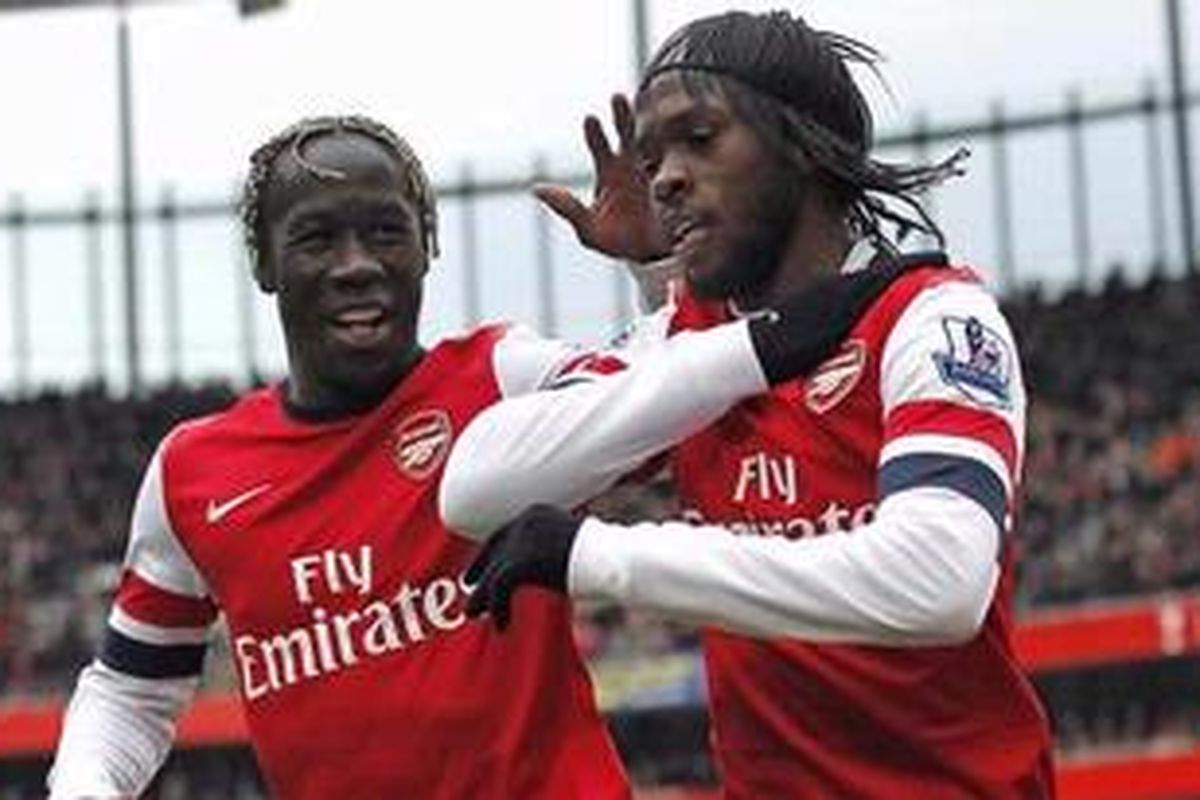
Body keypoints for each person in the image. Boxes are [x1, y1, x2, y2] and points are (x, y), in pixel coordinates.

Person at [440, 10, 1055, 799]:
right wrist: (750, 352)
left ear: (803, 145)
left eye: (699, 139)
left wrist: (601, 557)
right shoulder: (697, 347)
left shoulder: (931, 316)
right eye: (653, 156)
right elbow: (475, 487)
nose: (663, 177)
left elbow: (938, 583)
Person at [46, 115, 634, 799]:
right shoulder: (194, 473)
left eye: (385, 231)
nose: (356, 265)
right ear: (265, 263)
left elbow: (668, 410)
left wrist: (656, 268)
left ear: (427, 247)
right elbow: (132, 686)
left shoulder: (507, 378)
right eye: (317, 239)